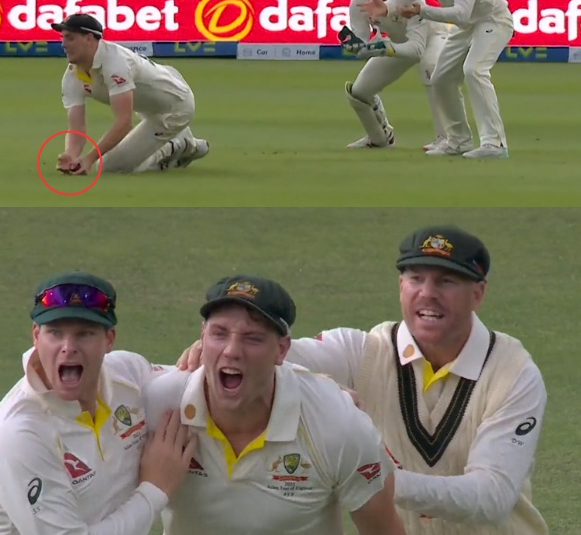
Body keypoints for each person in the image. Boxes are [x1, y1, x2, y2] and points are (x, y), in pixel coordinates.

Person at [175, 226, 549, 534]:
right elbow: (271, 355)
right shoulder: (361, 349)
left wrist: (361, 473)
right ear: (401, 286)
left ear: (478, 293)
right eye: (415, 278)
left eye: (446, 281)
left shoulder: (514, 372)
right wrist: (218, 347)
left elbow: (492, 497)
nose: (427, 293)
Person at [144, 275, 408, 535]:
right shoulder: (159, 405)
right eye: (219, 334)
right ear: (202, 337)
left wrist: (323, 390)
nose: (231, 351)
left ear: (282, 350)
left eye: (252, 338)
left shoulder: (337, 423)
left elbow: (383, 528)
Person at [0, 272, 198, 535]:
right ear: (36, 336)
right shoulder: (16, 435)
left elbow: (196, 386)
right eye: (55, 333)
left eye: (84, 334)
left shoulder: (129, 374)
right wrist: (155, 488)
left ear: (109, 339)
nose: (68, 347)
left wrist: (209, 354)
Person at [357, 0, 514, 159]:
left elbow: (461, 14)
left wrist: (423, 10)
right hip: (466, 26)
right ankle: (459, 140)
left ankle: (495, 144)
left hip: (492, 19)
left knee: (474, 70)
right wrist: (385, 8)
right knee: (440, 78)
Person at [339, 0, 472, 155]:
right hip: (397, 42)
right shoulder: (359, 1)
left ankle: (447, 138)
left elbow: (418, 49)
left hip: (433, 37)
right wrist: (357, 47)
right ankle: (380, 138)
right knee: (360, 92)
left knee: (432, 72)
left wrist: (385, 48)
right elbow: (363, 40)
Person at [52, 14, 211, 176]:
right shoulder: (72, 76)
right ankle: (184, 140)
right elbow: (77, 127)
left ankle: (178, 144)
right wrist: (71, 154)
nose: (63, 45)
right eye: (63, 38)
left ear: (89, 38)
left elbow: (124, 122)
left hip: (176, 107)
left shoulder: (115, 64)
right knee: (110, 161)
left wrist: (89, 159)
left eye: (70, 38)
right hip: (149, 102)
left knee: (110, 166)